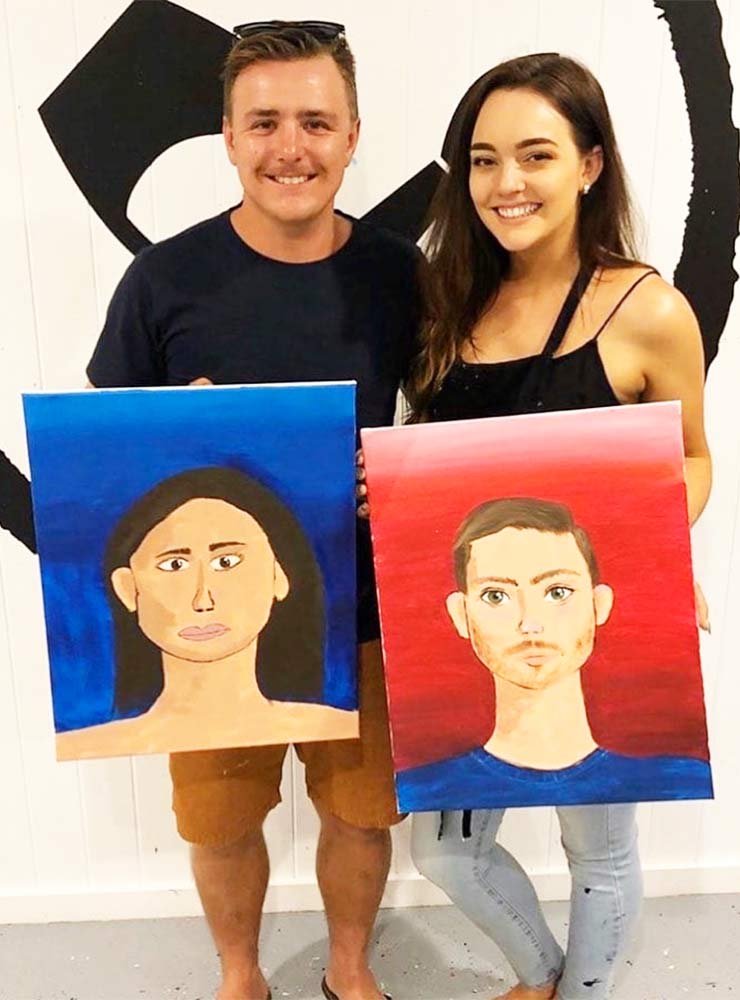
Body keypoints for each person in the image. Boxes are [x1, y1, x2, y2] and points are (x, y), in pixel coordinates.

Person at [86, 21, 420, 1000]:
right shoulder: (162, 280)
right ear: (228, 137)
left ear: (352, 134)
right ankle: (241, 976)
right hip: (208, 619)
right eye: (264, 122)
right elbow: (104, 451)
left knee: (362, 812)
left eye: (315, 121)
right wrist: (168, 436)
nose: (291, 147)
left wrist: (397, 469)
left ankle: (350, 968)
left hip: (364, 608)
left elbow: (454, 412)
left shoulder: (404, 274)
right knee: (221, 820)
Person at [397, 52, 711, 1000]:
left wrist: (657, 551)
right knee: (445, 851)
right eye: (484, 159)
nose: (508, 182)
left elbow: (693, 458)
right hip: (474, 623)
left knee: (598, 849)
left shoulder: (648, 309)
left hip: (586, 624)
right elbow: (428, 467)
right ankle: (540, 975)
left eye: (536, 154)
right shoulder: (446, 301)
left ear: (590, 164)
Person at [397, 496, 712, 810]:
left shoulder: (676, 776)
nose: (530, 624)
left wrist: (674, 550)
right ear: (460, 614)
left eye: (557, 592)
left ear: (599, 604)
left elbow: (693, 470)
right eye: (496, 596)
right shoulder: (423, 786)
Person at [55, 466, 360, 759]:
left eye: (226, 562)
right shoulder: (84, 742)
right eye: (175, 565)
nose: (203, 599)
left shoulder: (341, 723)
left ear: (279, 574)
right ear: (127, 587)